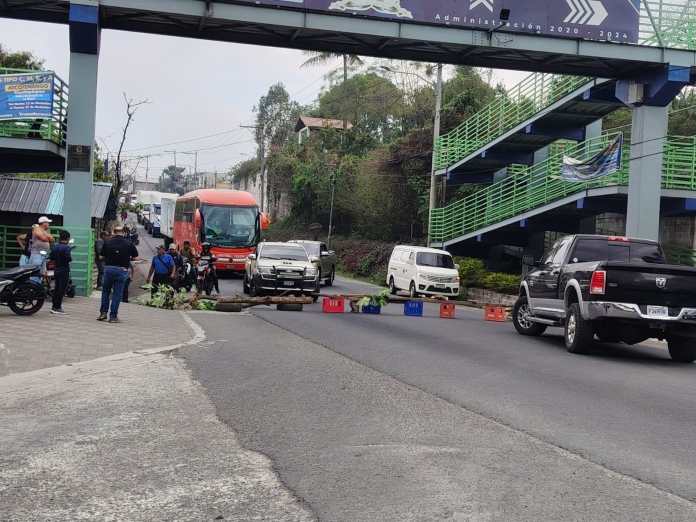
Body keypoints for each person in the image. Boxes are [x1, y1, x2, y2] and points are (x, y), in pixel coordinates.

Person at [99, 225, 138, 323]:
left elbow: (102, 255)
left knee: (106, 292)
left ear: (114, 232)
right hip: (121, 271)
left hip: (108, 269)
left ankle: (103, 313)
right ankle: (113, 317)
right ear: (123, 232)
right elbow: (135, 255)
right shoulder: (129, 243)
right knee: (117, 294)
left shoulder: (107, 242)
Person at [49, 230, 72, 315]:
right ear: (68, 238)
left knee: (56, 288)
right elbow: (68, 258)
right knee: (61, 289)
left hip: (56, 269)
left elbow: (51, 257)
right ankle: (57, 307)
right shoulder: (66, 248)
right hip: (64, 269)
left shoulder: (55, 247)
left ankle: (54, 306)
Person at [29, 216, 54, 283]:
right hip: (37, 255)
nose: (49, 224)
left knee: (42, 274)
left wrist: (48, 237)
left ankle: (37, 289)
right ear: (44, 223)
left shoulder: (44, 231)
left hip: (43, 256)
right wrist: (48, 237)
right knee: (35, 273)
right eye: (48, 223)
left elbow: (52, 239)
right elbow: (44, 238)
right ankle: (32, 289)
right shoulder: (36, 228)